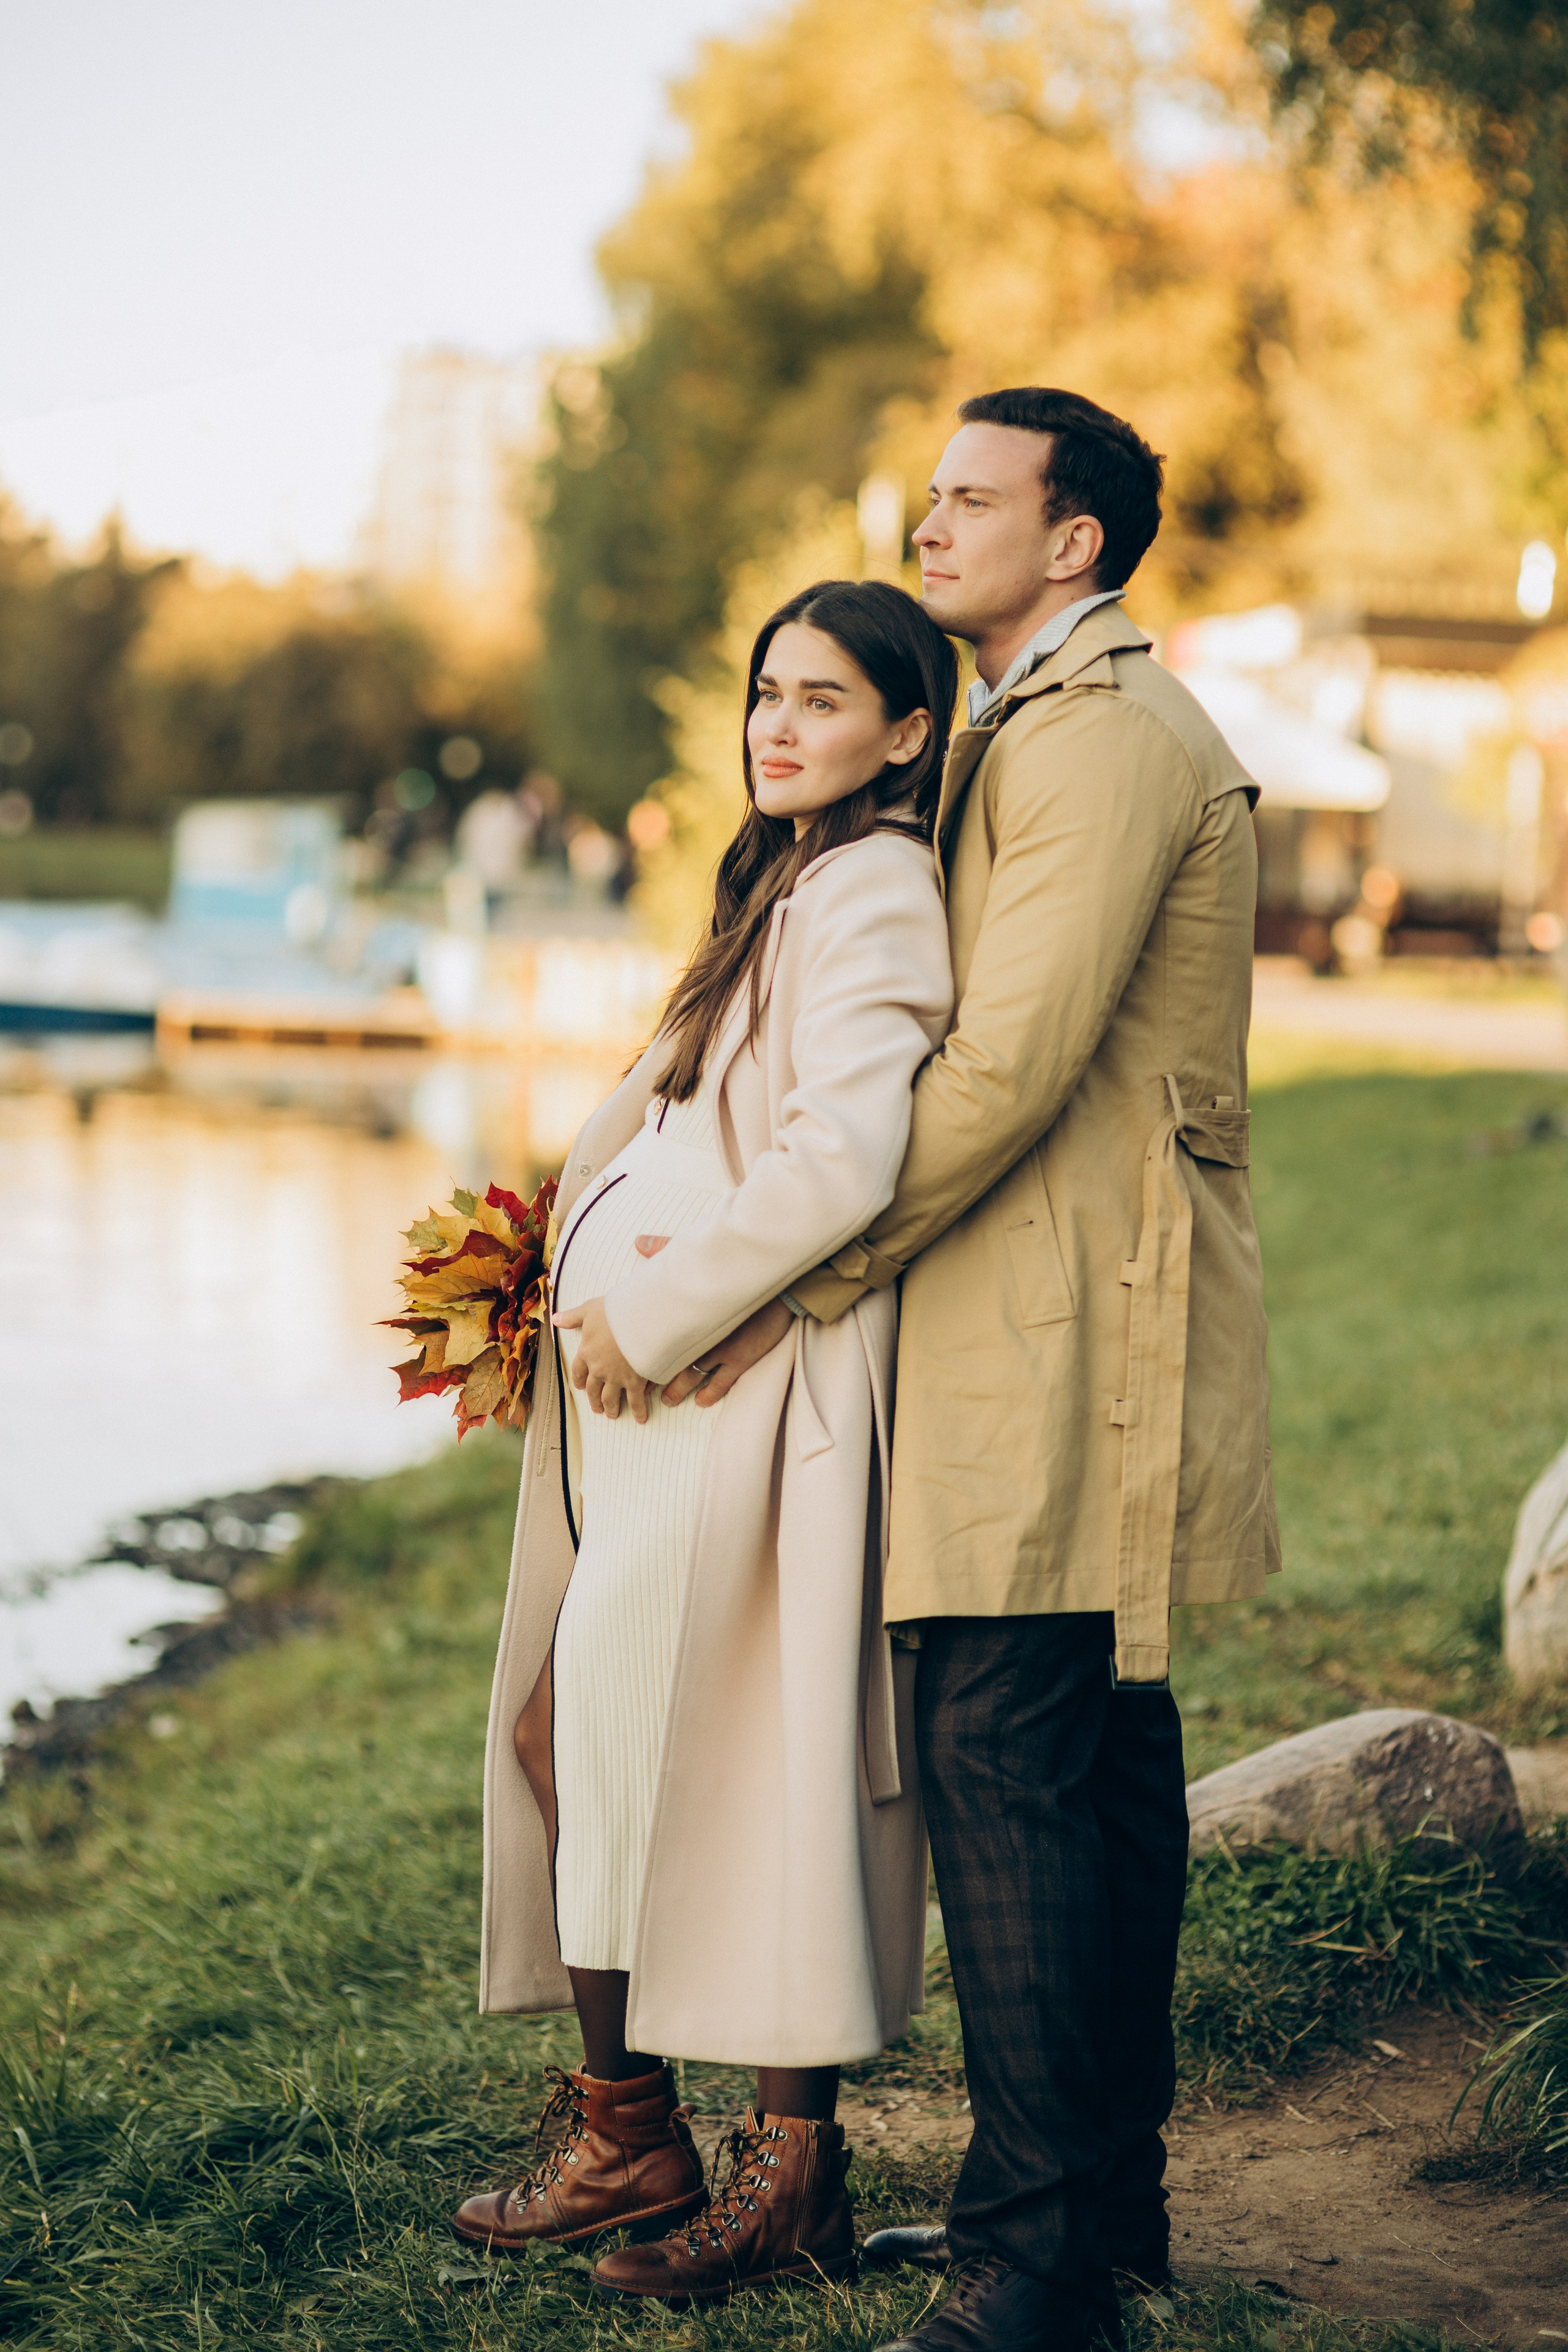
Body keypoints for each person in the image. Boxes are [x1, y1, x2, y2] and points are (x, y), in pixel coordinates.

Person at [655, 388, 1280, 2351]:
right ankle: (1095, 2219)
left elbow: (1000, 1071)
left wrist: (799, 1277)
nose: (931, 526)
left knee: (1017, 1768)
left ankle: (1035, 2265)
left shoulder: (1100, 744)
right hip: (1046, 1314)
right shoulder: (1037, 723)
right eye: (927, 496)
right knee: (1084, 1774)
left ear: (1074, 540)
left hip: (1073, 1324)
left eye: (973, 500)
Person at [452, 579, 959, 2306]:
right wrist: (549, 1253)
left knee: (742, 1767)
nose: (777, 723)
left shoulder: (878, 887)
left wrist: (657, 1309)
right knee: (577, 1734)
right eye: (765, 692)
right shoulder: (782, 882)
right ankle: (634, 2135)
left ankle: (768, 2171)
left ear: (906, 731)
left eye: (821, 699)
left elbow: (842, 1160)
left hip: (742, 1404)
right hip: (652, 1420)